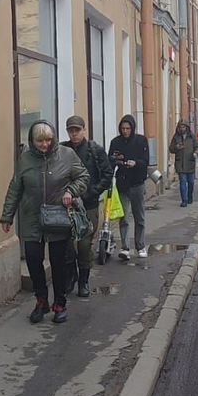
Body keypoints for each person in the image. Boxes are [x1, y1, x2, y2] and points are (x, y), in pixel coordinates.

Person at [1, 120, 89, 324]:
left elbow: (83, 177)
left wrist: (70, 191)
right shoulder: (25, 159)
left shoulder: (66, 155)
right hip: (32, 218)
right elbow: (15, 188)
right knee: (33, 260)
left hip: (58, 216)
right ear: (32, 140)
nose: (44, 145)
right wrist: (7, 216)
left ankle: (60, 303)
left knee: (59, 263)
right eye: (40, 141)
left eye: (48, 140)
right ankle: (41, 301)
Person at [61, 115, 112, 297]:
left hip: (88, 206)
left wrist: (92, 192)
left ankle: (84, 281)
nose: (74, 134)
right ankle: (71, 276)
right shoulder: (62, 149)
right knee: (67, 246)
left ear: (84, 130)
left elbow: (107, 175)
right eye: (71, 131)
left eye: (77, 130)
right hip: (66, 205)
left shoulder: (94, 150)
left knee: (83, 245)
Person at [108, 114, 150, 259]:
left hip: (137, 183)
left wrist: (135, 163)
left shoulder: (141, 141)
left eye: (128, 128)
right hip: (122, 183)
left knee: (139, 216)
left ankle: (140, 246)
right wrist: (117, 162)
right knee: (124, 217)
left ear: (132, 128)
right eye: (123, 128)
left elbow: (145, 161)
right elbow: (110, 160)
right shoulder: (115, 142)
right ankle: (125, 247)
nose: (125, 131)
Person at [169, 120, 198, 207]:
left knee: (191, 182)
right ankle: (184, 200)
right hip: (180, 163)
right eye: (180, 127)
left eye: (183, 127)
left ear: (186, 127)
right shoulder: (176, 137)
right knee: (182, 182)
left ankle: (190, 196)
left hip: (190, 162)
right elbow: (171, 148)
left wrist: (196, 153)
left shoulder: (192, 136)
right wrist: (176, 147)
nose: (182, 129)